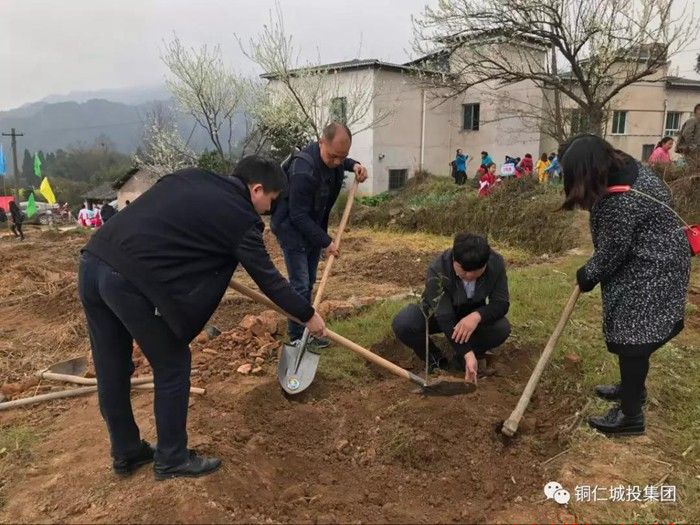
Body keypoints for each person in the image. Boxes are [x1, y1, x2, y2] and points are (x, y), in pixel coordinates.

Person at [79, 156, 327, 480]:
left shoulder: (191, 177)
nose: (268, 210)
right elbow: (271, 281)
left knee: (112, 369)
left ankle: (126, 452)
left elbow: (169, 226)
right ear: (256, 189)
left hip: (92, 263)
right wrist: (309, 316)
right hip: (126, 281)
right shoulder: (240, 218)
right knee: (173, 363)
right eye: (271, 200)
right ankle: (172, 459)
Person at [560, 134, 690, 436]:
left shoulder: (619, 200)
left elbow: (612, 251)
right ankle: (631, 389)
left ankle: (631, 417)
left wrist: (587, 274)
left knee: (633, 340)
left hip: (654, 268)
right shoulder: (628, 168)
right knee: (634, 336)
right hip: (654, 257)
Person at [271, 122, 368, 347]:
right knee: (300, 285)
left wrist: (355, 166)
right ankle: (297, 338)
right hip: (292, 229)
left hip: (313, 227)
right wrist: (326, 242)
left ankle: (307, 328)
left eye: (342, 158)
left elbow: (341, 160)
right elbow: (298, 216)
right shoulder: (304, 170)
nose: (337, 163)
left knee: (309, 281)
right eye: (334, 156)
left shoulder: (335, 158)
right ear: (321, 142)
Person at [392, 233, 511, 382]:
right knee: (404, 323)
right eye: (464, 271)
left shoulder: (496, 263)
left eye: (474, 273)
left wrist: (476, 316)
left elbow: (501, 303)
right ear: (454, 259)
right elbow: (445, 316)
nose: (468, 276)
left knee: (501, 328)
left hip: (471, 312)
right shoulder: (437, 269)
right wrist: (467, 352)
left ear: (485, 264)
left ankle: (461, 361)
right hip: (436, 313)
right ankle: (436, 362)